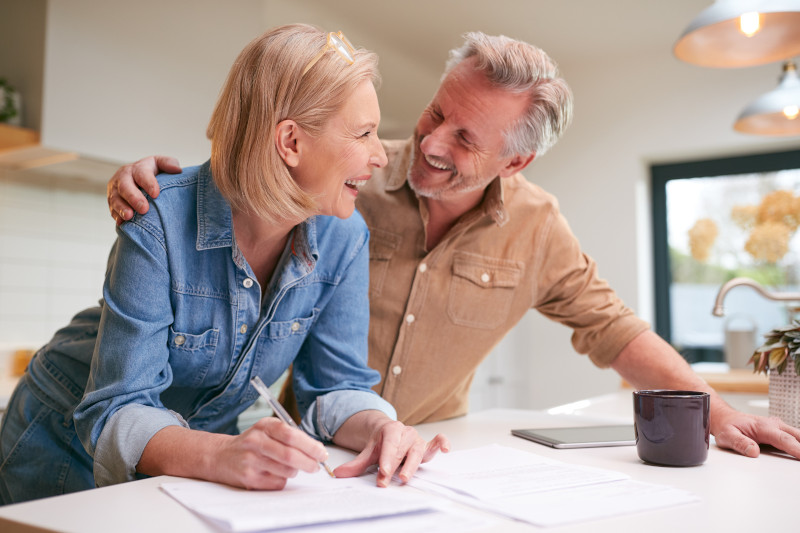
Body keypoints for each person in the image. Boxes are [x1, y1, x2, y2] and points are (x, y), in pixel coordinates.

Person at [107, 31, 800, 459]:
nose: (430, 144)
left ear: (515, 163)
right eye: (437, 112)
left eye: (466, 138)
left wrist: (718, 410)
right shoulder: (348, 186)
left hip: (431, 449)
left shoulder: (536, 227)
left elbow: (613, 329)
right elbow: (250, 181)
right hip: (308, 448)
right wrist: (172, 180)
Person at [0, 24, 449, 506]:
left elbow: (336, 386)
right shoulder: (160, 219)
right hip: (63, 444)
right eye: (364, 133)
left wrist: (381, 428)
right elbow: (118, 408)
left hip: (202, 457)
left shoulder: (345, 237)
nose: (381, 155)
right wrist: (222, 455)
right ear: (291, 142)